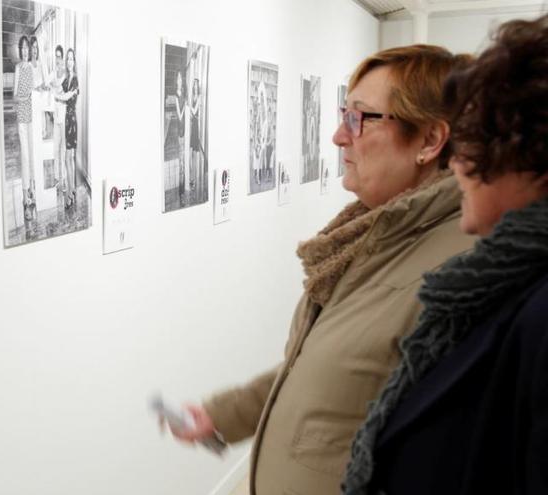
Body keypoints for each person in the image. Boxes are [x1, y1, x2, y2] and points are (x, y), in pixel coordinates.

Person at [165, 45, 473, 495]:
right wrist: (226, 414)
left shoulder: (460, 269)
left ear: (429, 141)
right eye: (341, 113)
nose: (337, 136)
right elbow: (338, 371)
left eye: (359, 118)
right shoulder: (374, 238)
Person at [343, 16, 548, 495]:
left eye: (475, 137)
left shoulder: (534, 309)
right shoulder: (494, 284)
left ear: (528, 152)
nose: (457, 161)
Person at [13, 35, 36, 222]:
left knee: (31, 155)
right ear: (21, 51)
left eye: (27, 48)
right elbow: (14, 95)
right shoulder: (18, 68)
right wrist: (24, 97)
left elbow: (36, 91)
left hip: (32, 117)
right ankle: (24, 196)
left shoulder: (32, 68)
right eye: (23, 48)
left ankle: (31, 191)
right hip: (22, 115)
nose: (26, 51)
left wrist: (32, 95)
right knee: (25, 155)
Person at [56, 47, 80, 210]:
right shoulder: (66, 78)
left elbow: (66, 96)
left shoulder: (75, 80)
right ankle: (72, 191)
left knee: (68, 159)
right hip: (66, 118)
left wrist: (56, 96)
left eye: (72, 59)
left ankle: (71, 194)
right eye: (68, 59)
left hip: (71, 120)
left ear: (74, 61)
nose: (70, 62)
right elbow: (58, 87)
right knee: (68, 159)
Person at [49, 45, 67, 201]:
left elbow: (63, 93)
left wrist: (57, 91)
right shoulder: (53, 74)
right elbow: (47, 85)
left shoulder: (65, 76)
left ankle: (64, 181)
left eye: (60, 56)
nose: (58, 59)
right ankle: (56, 179)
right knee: (55, 149)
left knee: (63, 151)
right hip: (56, 116)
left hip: (65, 116)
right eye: (56, 56)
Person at [174, 69, 188, 200]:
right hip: (180, 130)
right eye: (178, 78)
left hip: (185, 127)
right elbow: (179, 114)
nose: (180, 80)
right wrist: (185, 107)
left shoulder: (183, 92)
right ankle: (181, 191)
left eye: (181, 78)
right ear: (176, 80)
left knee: (183, 160)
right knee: (181, 161)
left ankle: (182, 189)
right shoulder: (176, 95)